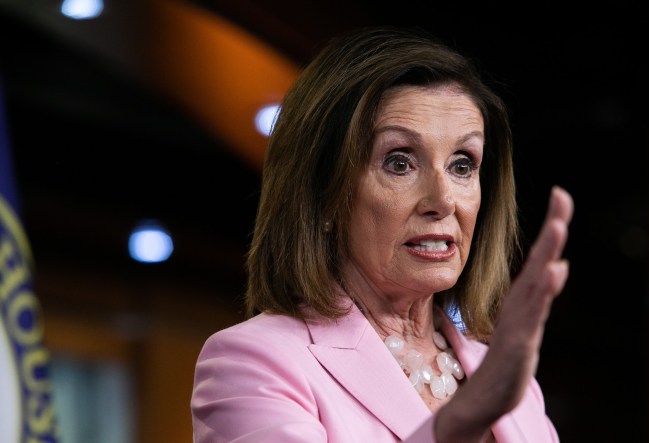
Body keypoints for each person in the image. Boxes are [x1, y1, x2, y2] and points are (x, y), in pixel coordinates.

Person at [190, 25, 573, 443]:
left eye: (462, 165)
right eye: (399, 163)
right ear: (324, 195)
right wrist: (459, 422)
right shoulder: (253, 362)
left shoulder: (511, 386)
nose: (443, 200)